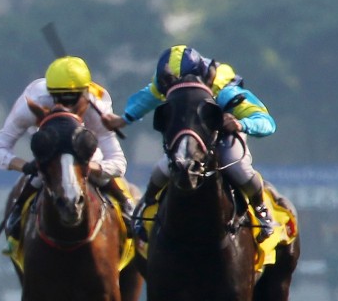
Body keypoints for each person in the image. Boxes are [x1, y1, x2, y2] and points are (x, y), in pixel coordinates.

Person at [105, 44, 277, 242]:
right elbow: (147, 98)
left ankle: (262, 211)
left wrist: (241, 123)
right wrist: (123, 119)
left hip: (221, 133)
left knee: (237, 165)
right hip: (190, 137)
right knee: (164, 167)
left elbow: (267, 123)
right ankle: (143, 208)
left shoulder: (224, 90)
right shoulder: (165, 82)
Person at [0, 55, 133, 239]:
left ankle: (127, 207)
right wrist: (25, 166)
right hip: (49, 153)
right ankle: (17, 215)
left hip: (84, 154)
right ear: (49, 93)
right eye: (58, 98)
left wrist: (88, 167)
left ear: (85, 94)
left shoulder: (97, 106)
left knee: (101, 172)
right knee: (41, 175)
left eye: (72, 100)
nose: (65, 107)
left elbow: (118, 163)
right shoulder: (31, 103)